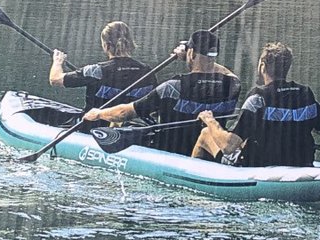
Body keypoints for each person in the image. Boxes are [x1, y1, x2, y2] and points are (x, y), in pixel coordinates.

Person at [84, 29, 240, 157]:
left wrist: (98, 113)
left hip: (169, 155)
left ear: (191, 53)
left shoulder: (172, 87)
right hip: (206, 152)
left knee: (124, 121)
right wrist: (200, 58)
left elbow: (125, 113)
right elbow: (227, 73)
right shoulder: (233, 86)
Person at [192, 41, 320, 167]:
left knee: (206, 133)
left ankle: (191, 181)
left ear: (262, 66)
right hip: (301, 162)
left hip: (257, 166)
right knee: (244, 141)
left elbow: (228, 146)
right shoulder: (305, 94)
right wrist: (299, 123)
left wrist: (210, 120)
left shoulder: (257, 98)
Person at [49, 21, 157, 112]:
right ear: (131, 43)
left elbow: (55, 79)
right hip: (133, 126)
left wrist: (58, 61)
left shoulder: (95, 71)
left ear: (106, 46)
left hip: (95, 126)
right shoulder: (147, 72)